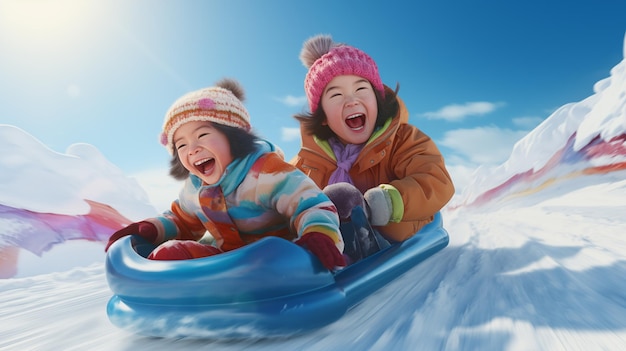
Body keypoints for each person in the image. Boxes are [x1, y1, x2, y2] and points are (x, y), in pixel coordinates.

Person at [105, 78, 345, 270]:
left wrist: (318, 235)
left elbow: (311, 205)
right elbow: (181, 220)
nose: (193, 149)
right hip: (229, 262)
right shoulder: (195, 187)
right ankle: (182, 294)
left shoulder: (267, 172)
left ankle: (352, 239)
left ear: (234, 136)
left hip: (284, 256)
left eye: (202, 135)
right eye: (181, 145)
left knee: (275, 254)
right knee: (169, 254)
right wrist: (148, 229)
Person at [291, 34, 455, 256]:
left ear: (377, 100)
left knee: (341, 196)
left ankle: (356, 246)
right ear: (323, 117)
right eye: (336, 94)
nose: (351, 100)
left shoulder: (402, 139)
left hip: (390, 235)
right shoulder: (307, 162)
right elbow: (279, 192)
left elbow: (435, 179)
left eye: (361, 89)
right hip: (326, 246)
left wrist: (384, 202)